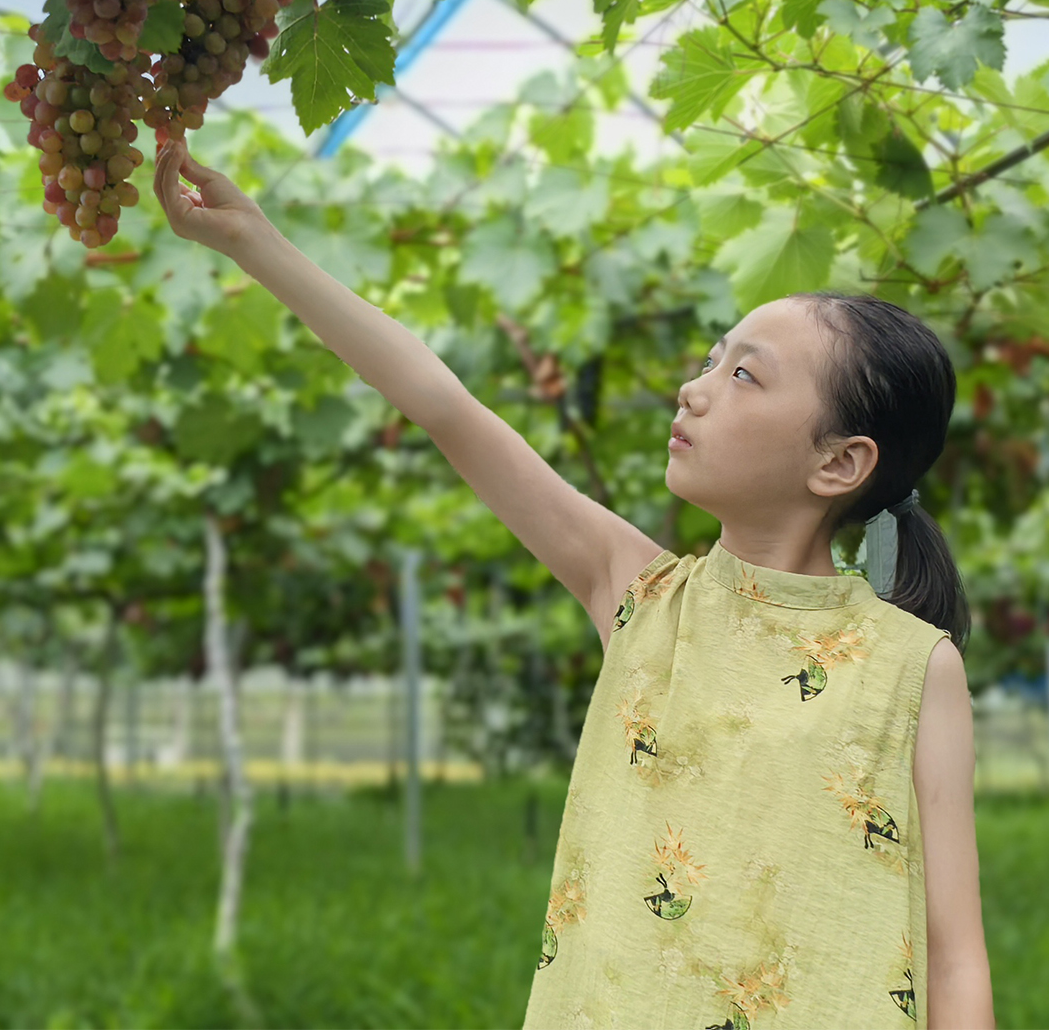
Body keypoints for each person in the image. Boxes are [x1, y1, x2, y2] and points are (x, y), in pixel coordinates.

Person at [154, 137, 995, 1030]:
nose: (694, 388)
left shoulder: (914, 666)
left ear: (839, 461)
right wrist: (255, 244)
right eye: (710, 359)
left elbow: (954, 956)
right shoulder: (639, 594)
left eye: (743, 374)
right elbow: (443, 403)